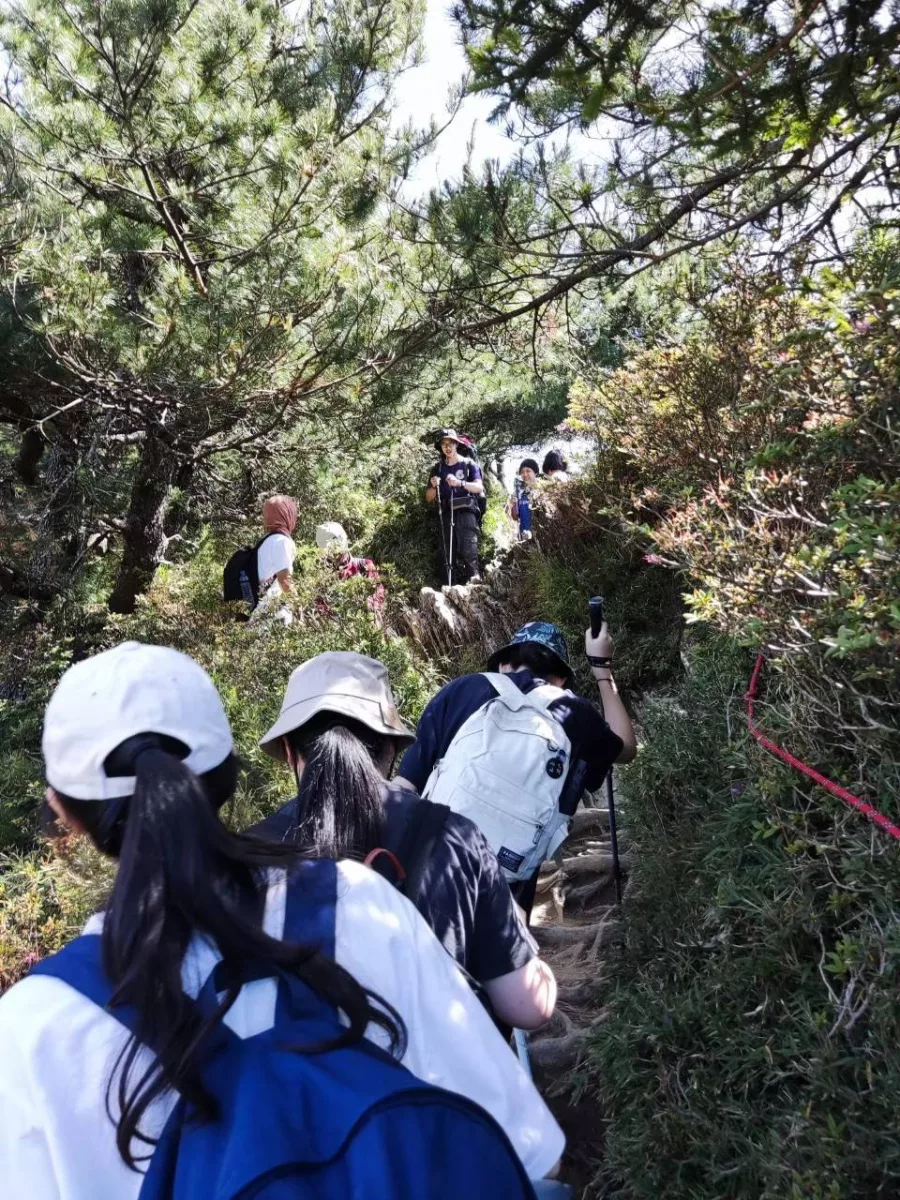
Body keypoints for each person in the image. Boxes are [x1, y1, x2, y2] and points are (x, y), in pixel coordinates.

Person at [0, 642, 565, 1198]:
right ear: (226, 776)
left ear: (62, 810)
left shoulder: (32, 1027)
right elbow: (518, 1145)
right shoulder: (361, 904)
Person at [249, 651, 557, 1032]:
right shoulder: (454, 838)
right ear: (392, 749)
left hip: (296, 1087)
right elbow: (529, 1009)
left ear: (291, 752)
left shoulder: (244, 855)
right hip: (435, 1086)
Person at [397, 621, 638, 918]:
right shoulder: (575, 713)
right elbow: (626, 748)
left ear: (504, 664)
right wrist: (602, 669)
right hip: (508, 890)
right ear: (561, 679)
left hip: (430, 864)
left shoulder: (461, 690)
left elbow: (404, 787)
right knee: (503, 959)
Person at [426, 429, 484, 585]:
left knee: (469, 552)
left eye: (450, 443)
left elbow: (479, 488)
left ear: (456, 444)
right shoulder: (437, 468)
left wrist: (460, 483)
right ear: (440, 447)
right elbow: (429, 497)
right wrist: (433, 486)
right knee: (446, 556)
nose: (447, 447)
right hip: (445, 514)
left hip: (466, 512)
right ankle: (449, 593)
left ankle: (476, 590)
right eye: (444, 444)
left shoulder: (469, 464)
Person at [250, 494, 298, 625]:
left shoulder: (265, 541)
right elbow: (285, 581)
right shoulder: (281, 542)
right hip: (271, 614)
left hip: (257, 613)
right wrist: (300, 609)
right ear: (287, 514)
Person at [507, 459, 540, 540]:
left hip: (541, 536)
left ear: (535, 472)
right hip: (524, 537)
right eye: (522, 472)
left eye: (528, 471)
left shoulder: (542, 489)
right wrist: (514, 504)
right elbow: (515, 517)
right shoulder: (520, 493)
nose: (525, 474)